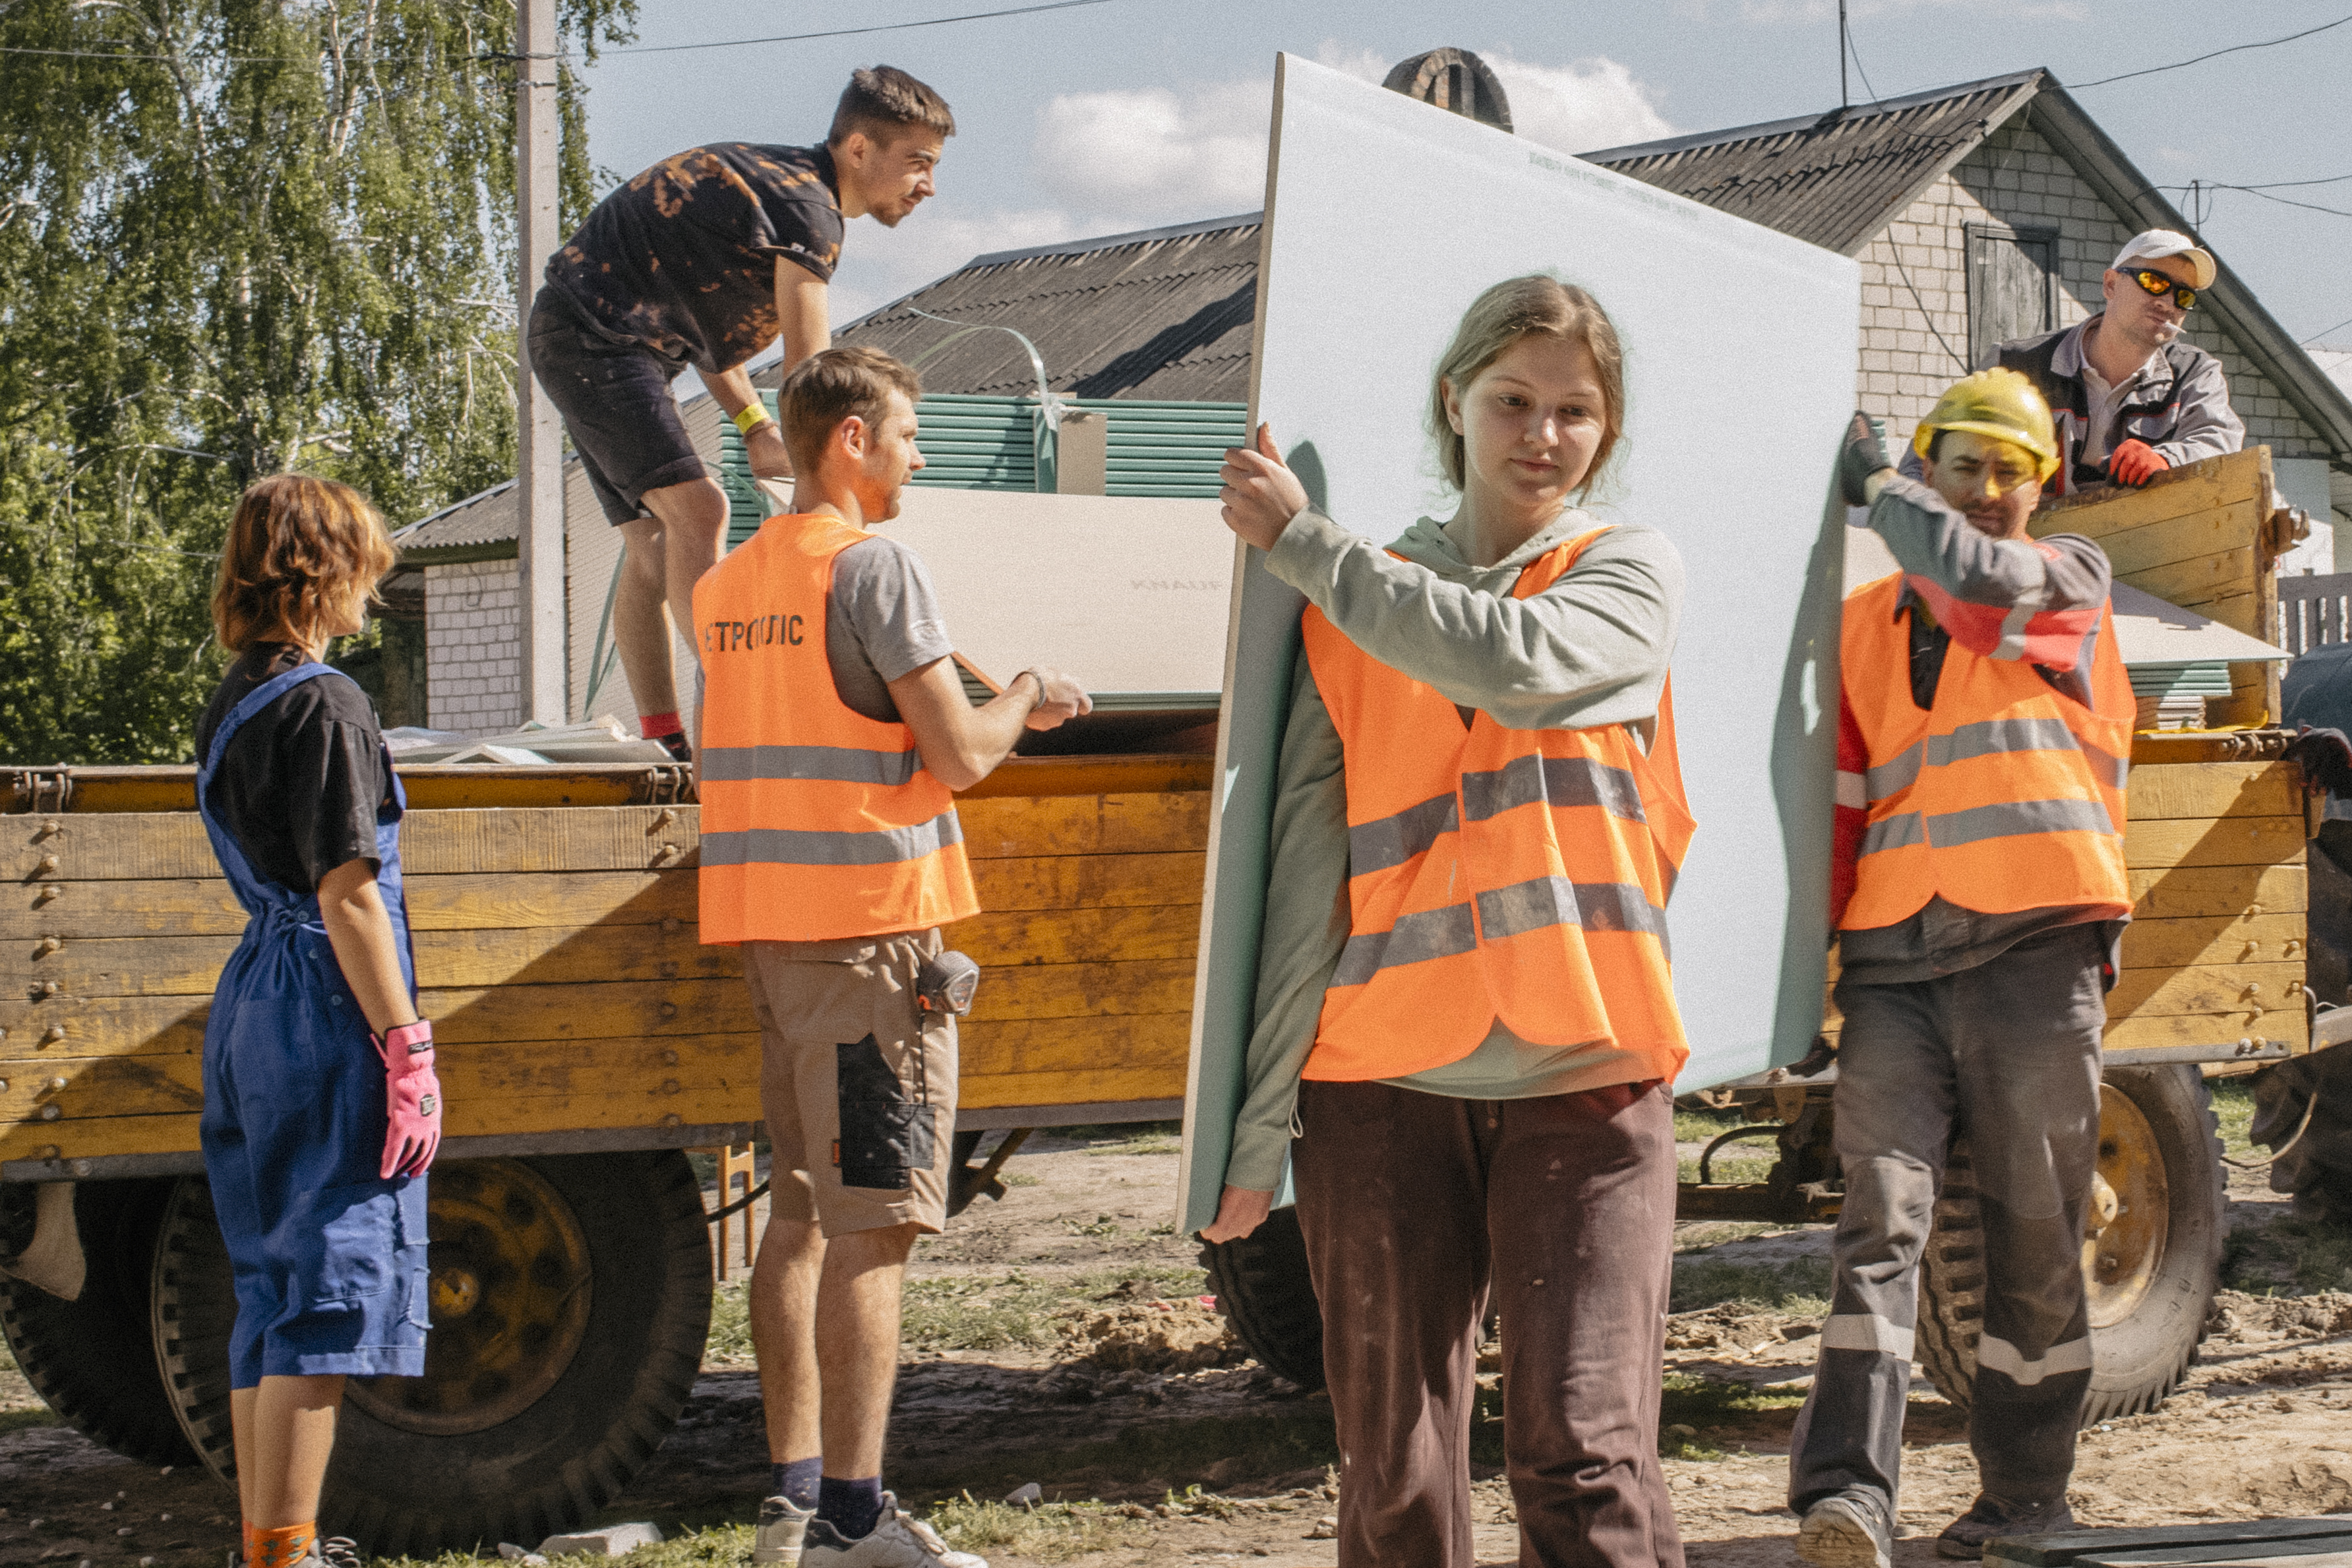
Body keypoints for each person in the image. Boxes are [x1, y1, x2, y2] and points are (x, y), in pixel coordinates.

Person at [1203, 276, 1694, 1568]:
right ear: (1453, 405)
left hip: (1585, 1076)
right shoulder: (1346, 606)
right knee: (1392, 1483)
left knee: (1583, 1460)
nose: (1541, 433)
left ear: (1607, 428)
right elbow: (1302, 884)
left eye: (1575, 410)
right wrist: (1253, 1138)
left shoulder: (1625, 577)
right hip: (1380, 1086)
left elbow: (1512, 662)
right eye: (1512, 401)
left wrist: (1308, 546)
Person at [696, 345, 1089, 1568]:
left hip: (772, 936)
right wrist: (1025, 688)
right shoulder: (877, 565)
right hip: (872, 941)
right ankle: (856, 1526)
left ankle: (795, 1499)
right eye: (908, 435)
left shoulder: (729, 583)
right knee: (875, 1228)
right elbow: (963, 752)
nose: (917, 457)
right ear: (851, 440)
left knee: (805, 1215)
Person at [1793, 370, 2134, 1567]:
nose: (1989, 491)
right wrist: (1803, 985)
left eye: (2013, 471)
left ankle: (2027, 1493)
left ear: (2041, 488)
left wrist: (1878, 488)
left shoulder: (2067, 581)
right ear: (1933, 467)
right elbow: (1838, 806)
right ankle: (1846, 1497)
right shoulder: (1859, 626)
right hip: (1894, 958)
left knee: (2032, 1228)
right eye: (1965, 465)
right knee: (1876, 1216)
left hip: (2036, 946)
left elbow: (1982, 589)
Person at [528, 65, 954, 760]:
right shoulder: (809, 213)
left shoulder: (772, 188)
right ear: (857, 150)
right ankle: (737, 702)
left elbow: (704, 333)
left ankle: (666, 738)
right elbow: (814, 380)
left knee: (654, 545)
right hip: (598, 339)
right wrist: (819, 480)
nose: (928, 185)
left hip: (591, 335)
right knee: (700, 512)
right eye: (917, 163)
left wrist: (756, 427)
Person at [196, 475, 442, 1568]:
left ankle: (270, 1545)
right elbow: (348, 895)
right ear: (326, 568)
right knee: (330, 1290)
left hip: (252, 995)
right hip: (319, 1006)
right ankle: (287, 1557)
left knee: (270, 1288)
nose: (368, 596)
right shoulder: (327, 701)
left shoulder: (235, 697)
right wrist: (408, 1046)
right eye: (364, 571)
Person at [1924, 229, 2241, 496]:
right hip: (2023, 551)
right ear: (2111, 285)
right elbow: (1932, 456)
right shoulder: (2015, 365)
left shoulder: (2194, 374)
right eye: (2154, 282)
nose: (2168, 301)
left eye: (2184, 296)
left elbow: (2220, 442)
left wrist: (2168, 458)